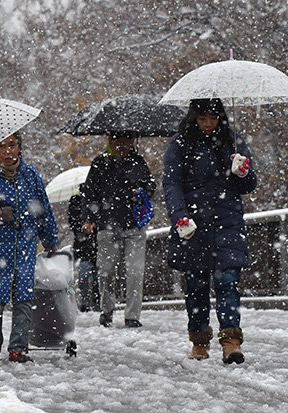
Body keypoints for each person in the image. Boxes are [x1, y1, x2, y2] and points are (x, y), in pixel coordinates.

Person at [163, 98, 257, 364]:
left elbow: (248, 185)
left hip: (227, 223)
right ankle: (200, 342)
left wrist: (242, 172)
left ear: (220, 118)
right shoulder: (180, 144)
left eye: (212, 118)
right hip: (194, 225)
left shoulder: (233, 142)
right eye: (202, 118)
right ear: (194, 117)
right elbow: (171, 183)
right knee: (196, 286)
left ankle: (231, 342)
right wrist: (180, 216)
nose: (207, 124)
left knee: (227, 281)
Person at [0, 132, 60, 363]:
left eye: (12, 145)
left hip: (24, 247)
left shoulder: (30, 176)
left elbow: (43, 210)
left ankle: (19, 348)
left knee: (24, 296)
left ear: (19, 147)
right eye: (1, 147)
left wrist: (50, 239)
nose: (7, 151)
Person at [80, 131, 156, 328]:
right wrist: (89, 218)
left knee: (135, 271)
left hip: (134, 225)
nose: (122, 146)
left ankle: (132, 315)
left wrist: (141, 193)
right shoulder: (100, 163)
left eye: (126, 142)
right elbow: (89, 193)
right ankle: (106, 310)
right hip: (107, 224)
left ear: (132, 142)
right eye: (118, 142)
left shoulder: (138, 162)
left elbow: (151, 187)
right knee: (105, 270)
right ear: (110, 142)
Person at [68, 189, 100, 312]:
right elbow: (73, 223)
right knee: (89, 274)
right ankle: (91, 302)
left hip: (88, 246)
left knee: (89, 275)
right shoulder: (78, 203)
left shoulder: (92, 201)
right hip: (86, 247)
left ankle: (91, 302)